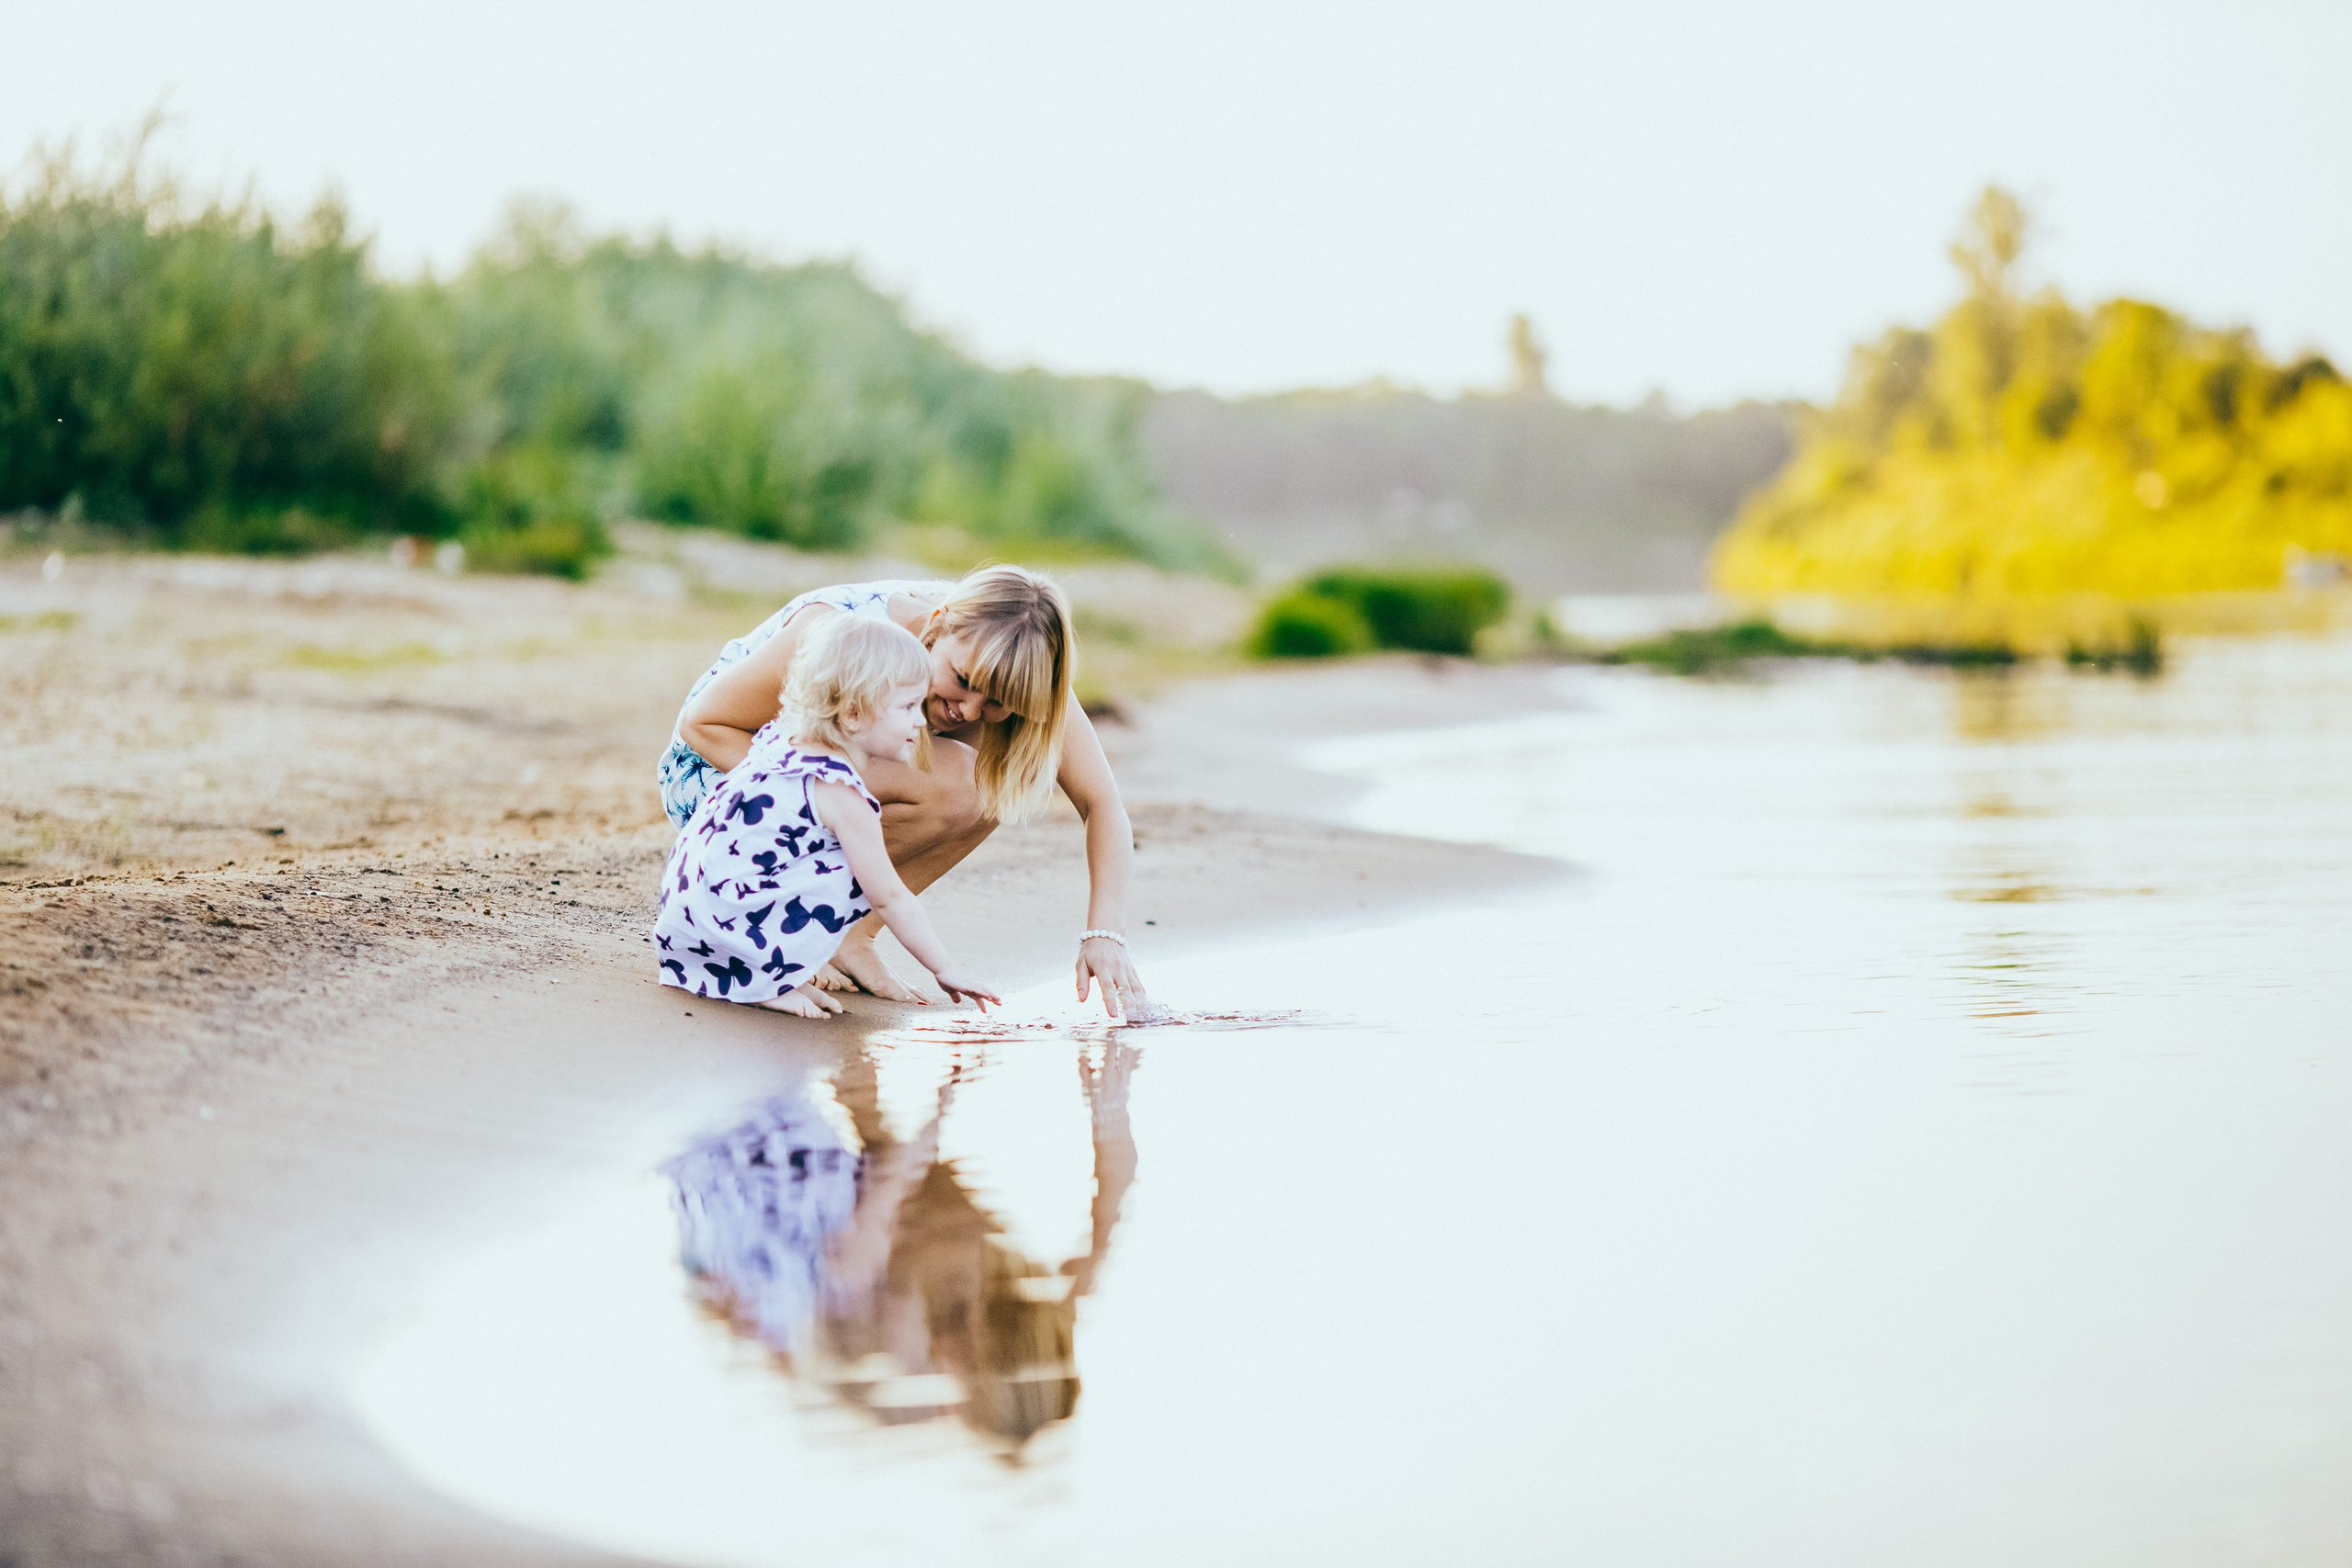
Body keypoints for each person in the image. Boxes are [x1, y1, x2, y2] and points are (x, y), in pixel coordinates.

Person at [658, 566, 1148, 1017]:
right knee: (960, 783)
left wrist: (1105, 935)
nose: (970, 711)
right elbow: (704, 725)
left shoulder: (1015, 660)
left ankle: (850, 937)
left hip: (820, 783)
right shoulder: (844, 637)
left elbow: (1102, 804)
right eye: (963, 681)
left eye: (998, 702)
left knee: (990, 779)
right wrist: (818, 793)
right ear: (935, 629)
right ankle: (781, 934)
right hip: (717, 781)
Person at [653, 614, 1000, 1019]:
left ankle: (774, 972)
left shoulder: (779, 741)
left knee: (808, 856)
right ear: (853, 715)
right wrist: (944, 968)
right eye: (907, 707)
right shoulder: (842, 795)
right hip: (726, 929)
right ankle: (759, 981)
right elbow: (889, 896)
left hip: (685, 921)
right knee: (848, 867)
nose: (920, 721)